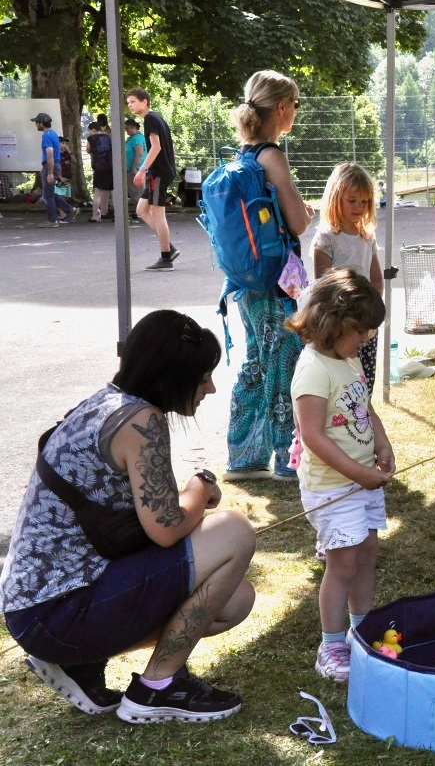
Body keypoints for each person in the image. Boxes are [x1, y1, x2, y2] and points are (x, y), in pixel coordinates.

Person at [0, 310, 256, 724]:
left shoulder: (107, 404)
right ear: (171, 376)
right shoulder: (142, 421)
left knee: (235, 597)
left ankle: (81, 664)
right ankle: (157, 689)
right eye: (204, 375)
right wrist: (201, 486)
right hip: (57, 613)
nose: (210, 387)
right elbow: (167, 528)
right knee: (235, 531)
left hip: (37, 611)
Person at [287, 268, 393, 682]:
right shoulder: (313, 367)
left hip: (359, 481)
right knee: (342, 563)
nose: (366, 339)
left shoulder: (346, 360)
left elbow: (364, 409)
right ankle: (331, 646)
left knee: (366, 555)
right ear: (333, 322)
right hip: (333, 487)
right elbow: (312, 435)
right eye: (361, 331)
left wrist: (381, 444)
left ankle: (360, 632)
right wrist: (357, 474)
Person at [223, 70, 315, 483]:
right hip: (278, 280)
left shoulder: (242, 155)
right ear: (281, 108)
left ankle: (243, 455)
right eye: (294, 105)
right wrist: (304, 213)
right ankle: (286, 459)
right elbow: (297, 223)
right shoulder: (272, 156)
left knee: (257, 361)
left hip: (245, 281)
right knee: (284, 361)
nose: (295, 112)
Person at [312, 162, 384, 394]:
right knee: (341, 381)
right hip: (339, 323)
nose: (359, 207)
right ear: (336, 198)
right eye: (352, 200)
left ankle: (363, 419)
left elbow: (376, 279)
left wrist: (371, 314)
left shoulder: (367, 235)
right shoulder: (327, 237)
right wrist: (344, 320)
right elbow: (324, 285)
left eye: (364, 201)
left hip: (366, 322)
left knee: (365, 379)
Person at [126, 88, 178, 271]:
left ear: (144, 101)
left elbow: (156, 148)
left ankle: (166, 259)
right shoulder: (156, 118)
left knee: (158, 214)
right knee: (141, 210)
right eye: (128, 102)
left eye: (133, 101)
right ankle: (168, 247)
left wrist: (142, 170)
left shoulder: (150, 119)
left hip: (159, 172)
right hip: (160, 171)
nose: (130, 105)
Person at [32, 112, 75, 229]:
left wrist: (49, 172)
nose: (36, 125)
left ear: (41, 123)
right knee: (48, 193)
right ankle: (69, 209)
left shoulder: (46, 136)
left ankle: (52, 221)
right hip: (54, 164)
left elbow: (50, 154)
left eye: (37, 123)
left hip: (51, 165)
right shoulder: (54, 134)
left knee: (48, 196)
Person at [86, 121, 114, 223]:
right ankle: (118, 215)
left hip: (99, 167)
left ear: (93, 130)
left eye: (90, 131)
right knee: (113, 192)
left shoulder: (91, 139)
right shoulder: (109, 137)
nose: (90, 133)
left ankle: (95, 216)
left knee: (98, 193)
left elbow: (88, 150)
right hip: (111, 167)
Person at [124, 117, 146, 215]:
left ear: (133, 127)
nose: (126, 130)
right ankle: (139, 212)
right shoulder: (131, 138)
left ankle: (141, 213)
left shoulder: (137, 138)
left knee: (137, 192)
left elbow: (139, 153)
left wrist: (134, 167)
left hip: (136, 169)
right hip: (130, 169)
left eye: (127, 128)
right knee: (133, 192)